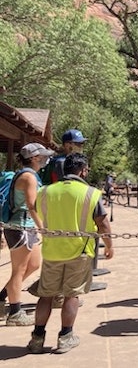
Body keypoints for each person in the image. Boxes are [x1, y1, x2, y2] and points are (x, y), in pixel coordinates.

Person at [27, 153, 114, 354]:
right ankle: (65, 337)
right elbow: (102, 223)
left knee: (45, 295)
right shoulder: (90, 193)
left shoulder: (45, 191)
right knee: (71, 295)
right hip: (79, 251)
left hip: (51, 251)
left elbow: (38, 213)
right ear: (82, 170)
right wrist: (109, 246)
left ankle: (37, 338)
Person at [0, 143, 53, 325]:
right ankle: (14, 313)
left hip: (26, 227)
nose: (45, 159)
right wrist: (43, 228)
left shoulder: (30, 175)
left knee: (34, 265)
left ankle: (2, 297)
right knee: (19, 270)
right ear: (33, 158)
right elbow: (31, 205)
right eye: (42, 156)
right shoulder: (28, 177)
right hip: (19, 227)